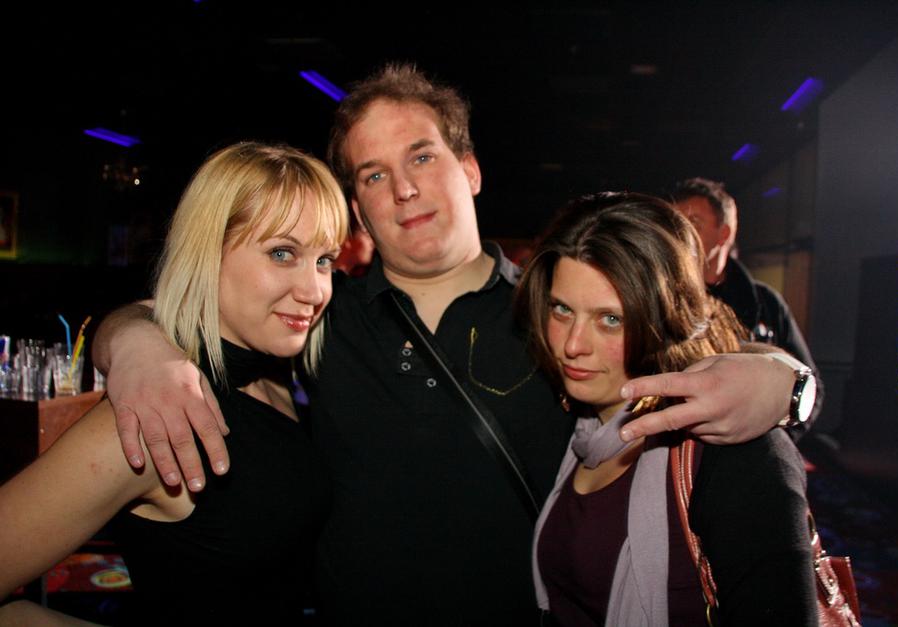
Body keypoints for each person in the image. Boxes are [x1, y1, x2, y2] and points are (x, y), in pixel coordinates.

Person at [91, 64, 813, 626]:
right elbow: (181, 307)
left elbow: (689, 353)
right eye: (374, 174)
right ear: (357, 207)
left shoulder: (554, 312)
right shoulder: (320, 315)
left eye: (421, 157)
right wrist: (131, 344)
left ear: (469, 169)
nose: (403, 189)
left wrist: (789, 381)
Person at [0, 142, 348, 625]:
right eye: (282, 253)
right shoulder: (156, 409)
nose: (314, 291)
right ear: (207, 253)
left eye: (324, 260)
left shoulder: (274, 375)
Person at [518, 192, 817, 626]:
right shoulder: (572, 423)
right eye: (562, 309)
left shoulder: (731, 450)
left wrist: (789, 384)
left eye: (611, 319)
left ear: (664, 319)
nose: (572, 345)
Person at [672, 177, 823, 432]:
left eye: (694, 222)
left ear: (724, 234)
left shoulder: (766, 304)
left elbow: (808, 385)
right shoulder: (661, 300)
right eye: (675, 223)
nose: (681, 233)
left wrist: (777, 440)